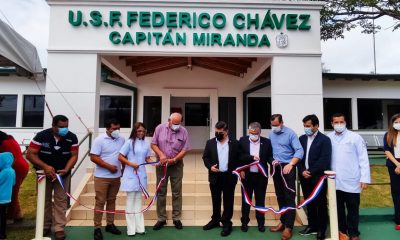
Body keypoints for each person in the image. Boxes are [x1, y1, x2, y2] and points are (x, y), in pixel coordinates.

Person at [26, 115, 79, 240]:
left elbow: (74, 156)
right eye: (61, 127)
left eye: (66, 127)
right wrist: (45, 167)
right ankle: (44, 226)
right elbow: (30, 154)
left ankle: (59, 228)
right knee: (44, 200)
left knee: (61, 201)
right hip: (43, 175)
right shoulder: (41, 136)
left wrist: (67, 168)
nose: (64, 129)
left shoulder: (72, 137)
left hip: (62, 175)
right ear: (53, 126)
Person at [327, 113, 370, 240]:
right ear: (332, 124)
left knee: (352, 209)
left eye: (341, 122)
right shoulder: (328, 138)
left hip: (352, 180)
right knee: (338, 208)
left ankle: (354, 233)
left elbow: (363, 158)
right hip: (334, 181)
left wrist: (364, 178)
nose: (339, 124)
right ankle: (342, 231)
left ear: (345, 123)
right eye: (336, 122)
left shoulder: (355, 137)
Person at [151, 112, 190, 231]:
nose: (176, 126)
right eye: (174, 123)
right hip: (161, 165)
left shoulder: (183, 131)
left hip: (176, 165)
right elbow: (153, 144)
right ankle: (161, 218)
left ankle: (176, 217)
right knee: (161, 191)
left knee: (177, 192)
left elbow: (185, 149)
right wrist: (161, 155)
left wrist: (175, 159)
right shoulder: (159, 128)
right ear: (169, 120)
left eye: (178, 123)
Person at [269, 114, 304, 240]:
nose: (274, 127)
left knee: (289, 197)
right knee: (280, 196)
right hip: (276, 167)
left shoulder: (291, 134)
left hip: (288, 167)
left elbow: (299, 151)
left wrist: (291, 164)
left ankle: (289, 227)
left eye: (277, 125)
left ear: (282, 122)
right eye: (272, 125)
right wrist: (272, 161)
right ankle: (283, 222)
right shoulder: (271, 134)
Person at [202, 121, 240, 237]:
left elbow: (239, 158)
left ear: (226, 131)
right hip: (215, 176)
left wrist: (240, 170)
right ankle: (215, 220)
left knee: (228, 201)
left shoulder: (235, 143)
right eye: (216, 132)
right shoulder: (210, 143)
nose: (218, 134)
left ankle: (227, 223)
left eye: (221, 132)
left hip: (229, 176)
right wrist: (210, 167)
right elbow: (205, 157)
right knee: (216, 199)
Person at [298, 114, 332, 240]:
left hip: (318, 177)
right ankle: (312, 226)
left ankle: (321, 229)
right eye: (304, 126)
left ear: (316, 126)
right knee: (309, 202)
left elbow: (324, 160)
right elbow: (298, 156)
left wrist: (310, 171)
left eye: (308, 126)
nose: (306, 128)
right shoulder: (301, 139)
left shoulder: (324, 140)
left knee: (320, 203)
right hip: (304, 176)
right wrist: (302, 171)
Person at [90, 119, 125, 240]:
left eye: (118, 128)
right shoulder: (99, 140)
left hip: (116, 177)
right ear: (107, 129)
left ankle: (110, 224)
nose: (117, 131)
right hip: (102, 177)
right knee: (100, 201)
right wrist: (109, 167)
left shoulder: (122, 139)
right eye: (114, 129)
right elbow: (93, 157)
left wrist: (124, 170)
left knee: (112, 200)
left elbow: (123, 156)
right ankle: (97, 228)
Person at [118, 122, 151, 236]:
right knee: (130, 202)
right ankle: (130, 230)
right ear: (135, 131)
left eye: (143, 131)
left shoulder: (146, 144)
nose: (141, 133)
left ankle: (140, 228)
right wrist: (131, 164)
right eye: (139, 131)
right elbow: (120, 156)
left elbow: (147, 158)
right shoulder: (129, 142)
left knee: (138, 202)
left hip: (141, 175)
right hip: (131, 174)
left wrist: (156, 163)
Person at [238, 122, 272, 233]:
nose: (252, 135)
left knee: (260, 200)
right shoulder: (242, 140)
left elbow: (269, 157)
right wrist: (248, 161)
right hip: (246, 176)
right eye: (250, 133)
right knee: (246, 200)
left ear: (259, 132)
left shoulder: (266, 142)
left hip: (261, 177)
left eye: (255, 133)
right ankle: (244, 222)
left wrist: (273, 162)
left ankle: (261, 223)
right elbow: (239, 156)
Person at [0, 131, 29, 223]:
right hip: (22, 166)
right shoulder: (10, 139)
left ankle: (9, 218)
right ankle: (17, 213)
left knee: (11, 193)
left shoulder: (3, 143)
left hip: (15, 167)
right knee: (13, 191)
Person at [383, 113, 400, 230]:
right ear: (392, 123)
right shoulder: (388, 135)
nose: (398, 124)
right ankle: (398, 219)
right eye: (396, 122)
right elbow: (387, 151)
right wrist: (398, 164)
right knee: (397, 192)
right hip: (393, 165)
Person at [0, 152, 16, 240]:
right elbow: (13, 183)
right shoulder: (12, 171)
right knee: (3, 217)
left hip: (0, 198)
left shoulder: (4, 172)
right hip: (7, 198)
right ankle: (3, 234)